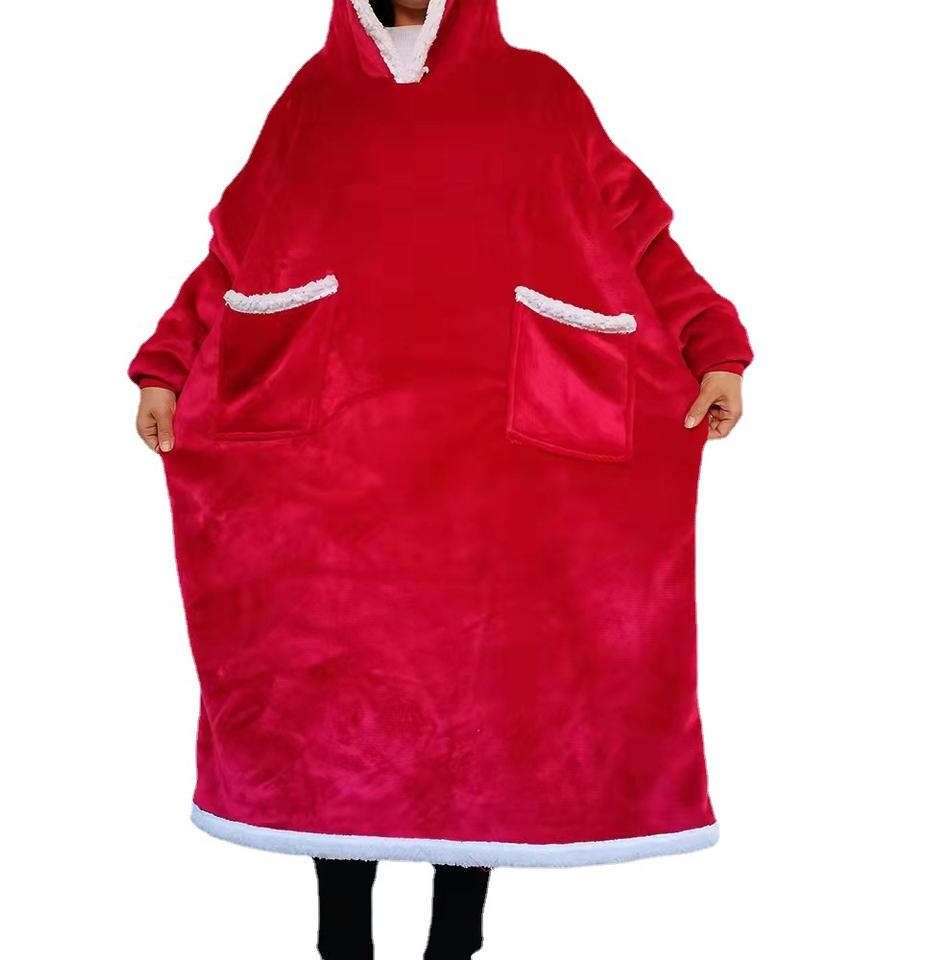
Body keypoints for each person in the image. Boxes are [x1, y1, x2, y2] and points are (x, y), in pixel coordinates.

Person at [130, 1, 752, 957]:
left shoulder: (540, 92)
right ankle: (341, 938)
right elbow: (233, 254)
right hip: (333, 479)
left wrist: (713, 345)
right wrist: (167, 366)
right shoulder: (313, 102)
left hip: (498, 469)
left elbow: (641, 236)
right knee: (335, 697)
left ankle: (455, 940)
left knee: (488, 689)